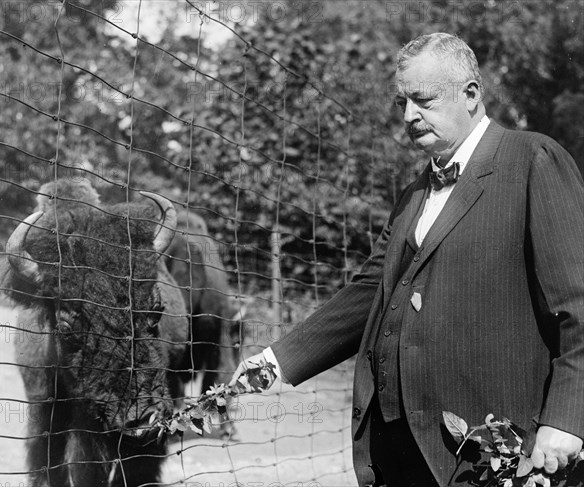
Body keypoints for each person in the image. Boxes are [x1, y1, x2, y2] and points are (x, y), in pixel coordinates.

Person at [230, 33, 584, 486]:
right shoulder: (414, 193)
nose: (409, 116)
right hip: (399, 449)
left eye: (423, 100)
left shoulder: (533, 159)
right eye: (402, 103)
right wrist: (277, 360)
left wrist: (568, 418)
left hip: (496, 452)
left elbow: (577, 302)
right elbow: (369, 293)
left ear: (471, 94)